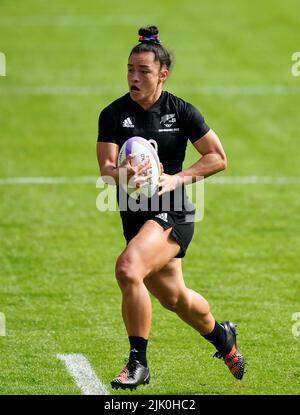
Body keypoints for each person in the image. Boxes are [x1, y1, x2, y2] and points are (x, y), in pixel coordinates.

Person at [96, 25, 245, 391]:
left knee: (128, 268)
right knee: (176, 299)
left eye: (143, 71)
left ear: (162, 74)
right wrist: (123, 175)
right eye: (130, 69)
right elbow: (105, 170)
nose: (134, 77)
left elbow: (218, 157)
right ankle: (223, 337)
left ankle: (138, 364)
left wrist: (177, 179)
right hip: (134, 218)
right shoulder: (113, 114)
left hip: (172, 212)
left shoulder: (181, 112)